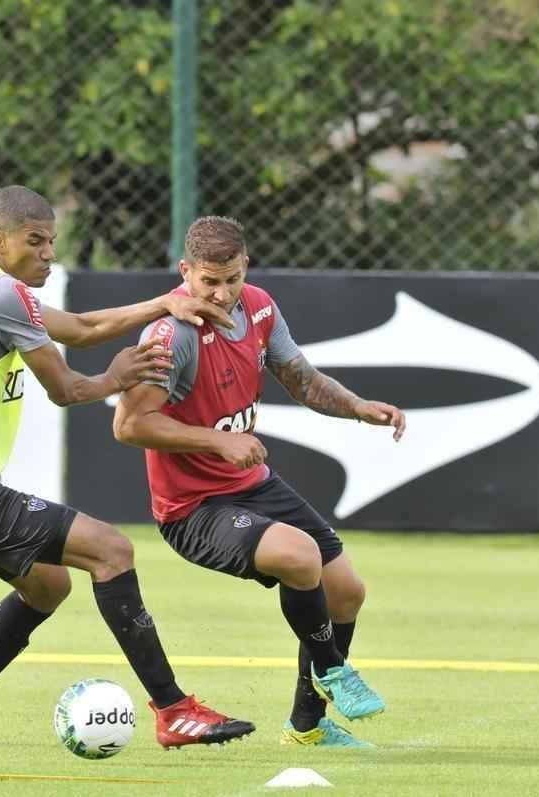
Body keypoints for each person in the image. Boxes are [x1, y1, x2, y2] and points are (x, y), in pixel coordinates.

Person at [0, 186, 255, 749]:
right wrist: (118, 377)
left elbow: (83, 327)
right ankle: (173, 710)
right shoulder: (0, 296)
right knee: (111, 550)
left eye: (52, 241)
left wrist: (164, 305)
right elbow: (68, 388)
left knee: (47, 585)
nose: (48, 253)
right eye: (35, 241)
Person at [112, 216, 406, 749]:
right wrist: (218, 441)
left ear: (245, 266)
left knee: (346, 592)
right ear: (186, 273)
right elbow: (129, 425)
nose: (222, 294)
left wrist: (359, 408)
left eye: (232, 279)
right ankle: (332, 671)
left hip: (251, 485)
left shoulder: (260, 307)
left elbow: (302, 379)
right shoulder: (171, 334)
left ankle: (308, 726)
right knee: (299, 556)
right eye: (209, 282)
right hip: (192, 507)